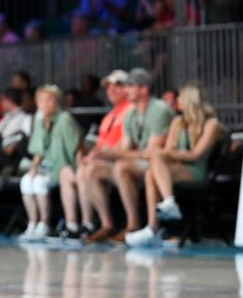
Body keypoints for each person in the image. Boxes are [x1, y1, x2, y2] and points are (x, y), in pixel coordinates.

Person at [82, 68, 174, 242]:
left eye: (129, 86)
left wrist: (113, 152)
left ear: (144, 89)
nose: (126, 90)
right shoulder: (131, 114)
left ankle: (133, 224)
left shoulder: (158, 110)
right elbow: (124, 147)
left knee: (122, 166)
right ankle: (106, 224)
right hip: (140, 161)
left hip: (161, 164)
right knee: (93, 169)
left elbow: (152, 152)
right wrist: (102, 154)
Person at [126, 83, 221, 248]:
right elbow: (169, 148)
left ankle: (156, 223)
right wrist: (166, 153)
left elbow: (195, 155)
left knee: (155, 157)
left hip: (196, 171)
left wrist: (166, 153)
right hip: (175, 168)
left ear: (190, 100)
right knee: (150, 172)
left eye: (180, 97)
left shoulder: (211, 124)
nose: (177, 100)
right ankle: (159, 217)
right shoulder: (177, 121)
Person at [59, 70, 129, 242]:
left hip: (122, 162)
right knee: (79, 169)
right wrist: (87, 155)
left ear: (128, 88)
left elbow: (125, 146)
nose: (111, 90)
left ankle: (104, 224)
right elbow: (99, 145)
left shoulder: (130, 111)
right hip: (105, 161)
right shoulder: (109, 116)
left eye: (117, 86)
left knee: (88, 170)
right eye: (109, 87)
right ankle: (86, 224)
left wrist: (97, 155)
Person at [17, 85, 81, 242]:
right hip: (47, 165)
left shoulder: (64, 119)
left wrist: (78, 169)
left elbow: (77, 144)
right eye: (41, 101)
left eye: (48, 100)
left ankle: (44, 223)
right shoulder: (40, 120)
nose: (44, 104)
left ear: (56, 101)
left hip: (64, 165)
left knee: (39, 183)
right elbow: (38, 151)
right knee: (27, 181)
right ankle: (32, 222)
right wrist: (33, 169)